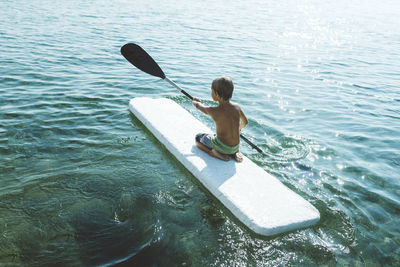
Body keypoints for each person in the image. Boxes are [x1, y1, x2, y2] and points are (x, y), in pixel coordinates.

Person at [192, 76, 248, 162]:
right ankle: (235, 153)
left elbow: (200, 106)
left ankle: (213, 153)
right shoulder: (237, 107)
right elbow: (245, 122)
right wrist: (239, 129)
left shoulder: (214, 111)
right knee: (224, 139)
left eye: (212, 91)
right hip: (236, 147)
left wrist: (195, 102)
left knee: (198, 138)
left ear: (217, 94)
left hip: (222, 148)